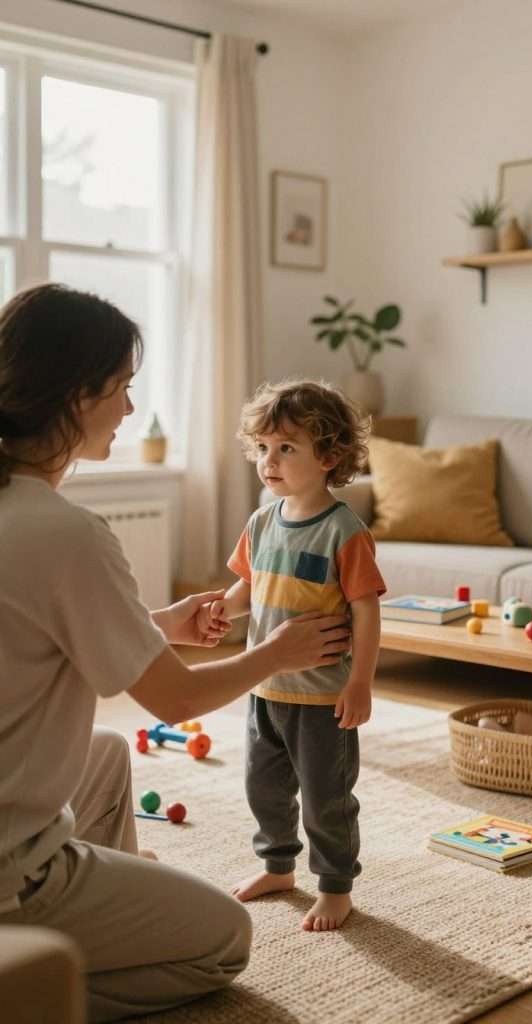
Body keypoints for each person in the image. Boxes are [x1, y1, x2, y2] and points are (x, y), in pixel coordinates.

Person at [0, 285, 352, 1023]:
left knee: (106, 754)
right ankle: (14, 985)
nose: (129, 408)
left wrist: (157, 627)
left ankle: (91, 906)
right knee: (223, 941)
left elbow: (16, 631)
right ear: (79, 396)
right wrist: (276, 652)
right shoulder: (64, 532)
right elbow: (176, 700)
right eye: (122, 388)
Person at [196, 379, 386, 932]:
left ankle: (334, 886)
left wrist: (360, 681)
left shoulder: (344, 532)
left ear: (328, 457)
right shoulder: (262, 522)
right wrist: (222, 610)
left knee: (327, 798)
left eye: (285, 448)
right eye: (262, 448)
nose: (268, 461)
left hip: (323, 698)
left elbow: (367, 612)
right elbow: (248, 588)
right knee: (264, 788)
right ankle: (277, 867)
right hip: (265, 690)